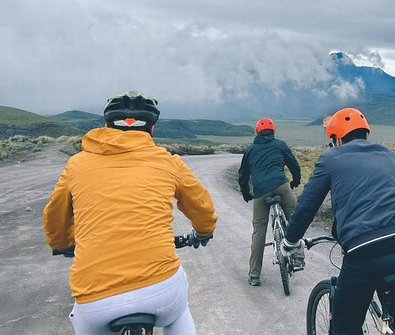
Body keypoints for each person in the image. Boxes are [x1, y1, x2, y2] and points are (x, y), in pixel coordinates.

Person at [43, 91, 218, 335]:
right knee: (179, 313)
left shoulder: (77, 164)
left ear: (105, 127)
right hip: (161, 290)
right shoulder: (168, 162)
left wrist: (63, 243)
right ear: (152, 130)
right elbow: (202, 207)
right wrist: (203, 232)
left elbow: (54, 216)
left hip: (95, 299)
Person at [281, 107, 395, 335]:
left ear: (336, 138)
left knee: (344, 328)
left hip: (364, 251)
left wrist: (289, 242)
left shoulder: (330, 158)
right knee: (385, 267)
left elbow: (306, 206)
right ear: (365, 132)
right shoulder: (388, 154)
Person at [238, 117, 301, 286]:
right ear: (273, 132)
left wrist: (246, 194)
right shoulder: (280, 145)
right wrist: (296, 181)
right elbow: (294, 165)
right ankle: (298, 258)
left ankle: (254, 275)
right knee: (295, 220)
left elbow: (243, 176)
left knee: (259, 230)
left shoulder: (250, 150)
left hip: (261, 192)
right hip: (281, 185)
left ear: (257, 132)